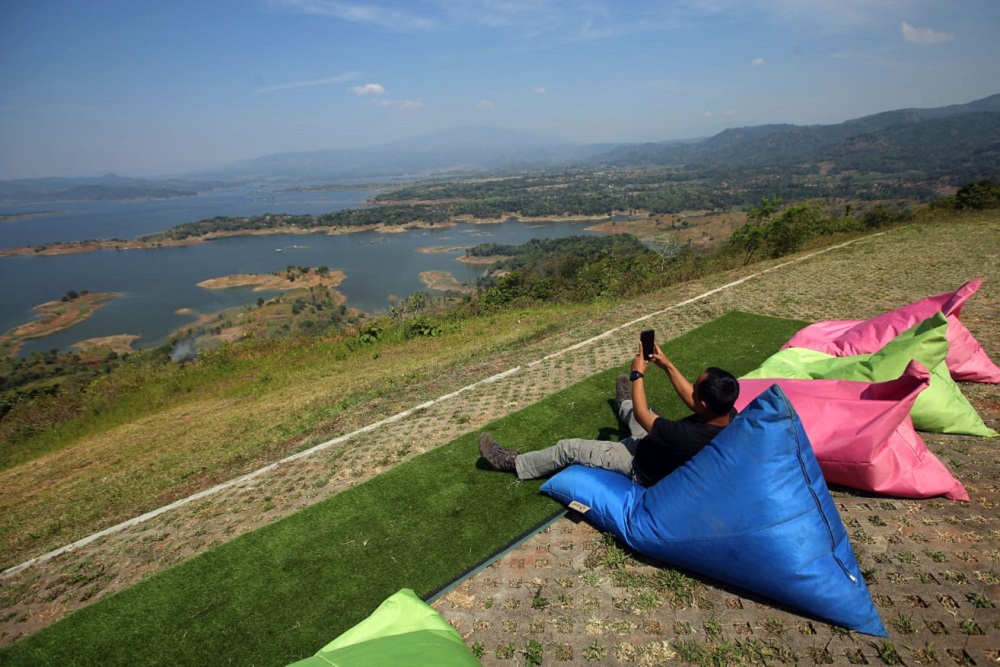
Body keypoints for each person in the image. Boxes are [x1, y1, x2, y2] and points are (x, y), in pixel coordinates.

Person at [478, 340, 739, 486]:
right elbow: (692, 401)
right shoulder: (728, 416)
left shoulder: (682, 435)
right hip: (660, 446)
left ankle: (515, 463)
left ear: (703, 405)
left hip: (639, 463)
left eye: (695, 390)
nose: (691, 391)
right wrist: (667, 365)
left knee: (569, 447)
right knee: (637, 411)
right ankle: (622, 401)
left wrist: (638, 374)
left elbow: (642, 414)